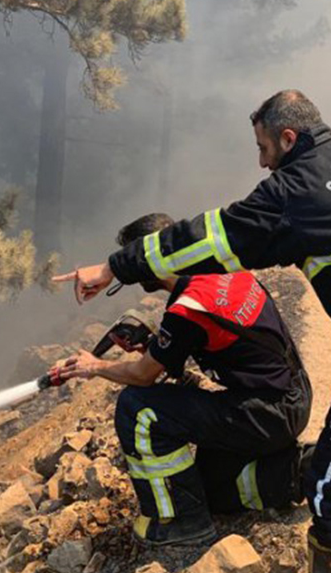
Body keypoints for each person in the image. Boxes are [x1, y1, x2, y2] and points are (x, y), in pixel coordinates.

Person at [54, 90, 331, 572]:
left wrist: (114, 267)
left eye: (264, 148)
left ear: (288, 139)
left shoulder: (295, 188)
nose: (262, 162)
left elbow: (207, 239)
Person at [52, 213, 313, 546]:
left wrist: (94, 366)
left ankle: (182, 522)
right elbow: (208, 343)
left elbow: (142, 377)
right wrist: (150, 345)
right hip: (289, 398)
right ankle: (302, 472)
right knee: (211, 490)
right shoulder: (224, 269)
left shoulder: (187, 308)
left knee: (137, 408)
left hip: (268, 414)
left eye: (134, 265)